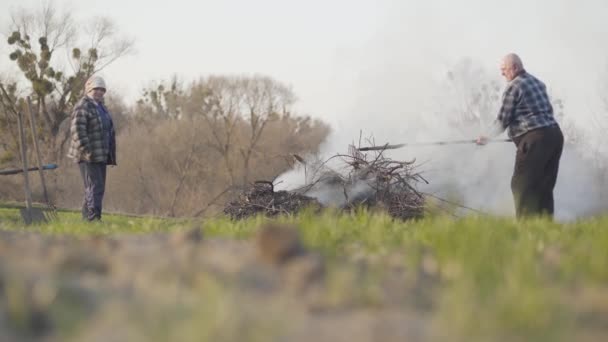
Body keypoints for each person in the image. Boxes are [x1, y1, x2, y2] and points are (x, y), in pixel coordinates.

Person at [477, 53, 563, 219]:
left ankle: (525, 228)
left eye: (504, 70)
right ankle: (545, 227)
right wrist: (520, 133)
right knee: (544, 188)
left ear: (514, 67)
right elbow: (541, 114)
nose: (502, 73)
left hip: (535, 140)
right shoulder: (538, 83)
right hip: (555, 136)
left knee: (521, 186)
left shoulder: (514, 86)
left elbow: (502, 120)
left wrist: (486, 136)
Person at [67, 75, 116, 221]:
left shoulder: (101, 107)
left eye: (102, 89)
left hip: (101, 154)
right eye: (96, 89)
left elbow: (108, 131)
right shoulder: (83, 105)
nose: (100, 92)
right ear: (88, 89)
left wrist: (110, 154)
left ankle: (86, 218)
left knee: (95, 187)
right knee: (95, 187)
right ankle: (94, 218)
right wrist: (87, 150)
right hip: (87, 155)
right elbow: (77, 130)